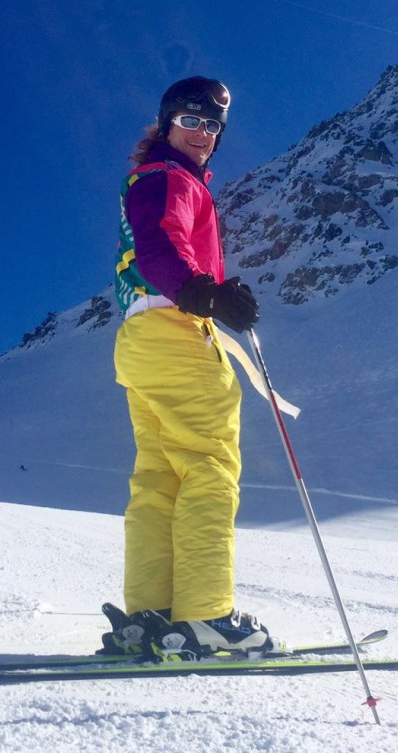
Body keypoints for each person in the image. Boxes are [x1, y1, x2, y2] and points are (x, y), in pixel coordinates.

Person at [106, 76, 280, 658]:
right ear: (165, 122)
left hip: (139, 337)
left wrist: (204, 294)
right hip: (177, 333)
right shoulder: (170, 179)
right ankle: (208, 618)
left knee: (160, 478)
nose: (203, 134)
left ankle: (150, 615)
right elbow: (158, 248)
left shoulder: (150, 178)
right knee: (208, 464)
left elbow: (152, 252)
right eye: (191, 120)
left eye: (213, 126)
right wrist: (206, 296)